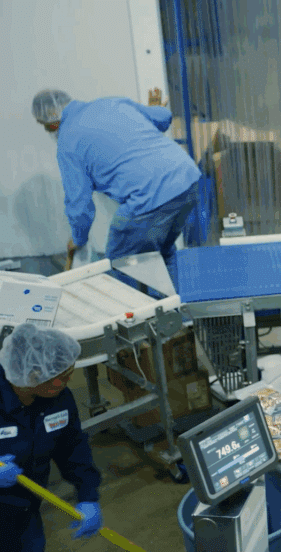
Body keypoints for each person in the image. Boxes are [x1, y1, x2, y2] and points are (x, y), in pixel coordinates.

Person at [32, 88, 200, 290]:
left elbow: (80, 205)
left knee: (119, 261)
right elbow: (163, 117)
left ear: (52, 123)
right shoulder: (112, 102)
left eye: (45, 127)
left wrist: (78, 239)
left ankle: (136, 317)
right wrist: (149, 110)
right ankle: (173, 315)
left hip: (148, 198)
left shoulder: (67, 143)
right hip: (187, 179)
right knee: (162, 252)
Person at [0, 324, 104, 551]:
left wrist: (88, 495)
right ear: (34, 376)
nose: (70, 379)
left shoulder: (59, 398)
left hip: (25, 507)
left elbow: (72, 445)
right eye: (64, 376)